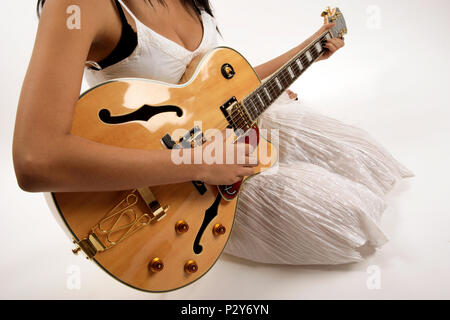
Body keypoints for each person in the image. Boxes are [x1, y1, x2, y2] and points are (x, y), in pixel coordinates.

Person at [13, 0, 412, 265]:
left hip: (234, 132)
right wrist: (198, 163)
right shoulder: (77, 6)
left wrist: (309, 47)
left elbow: (220, 88)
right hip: (176, 187)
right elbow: (35, 160)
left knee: (366, 156)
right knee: (348, 217)